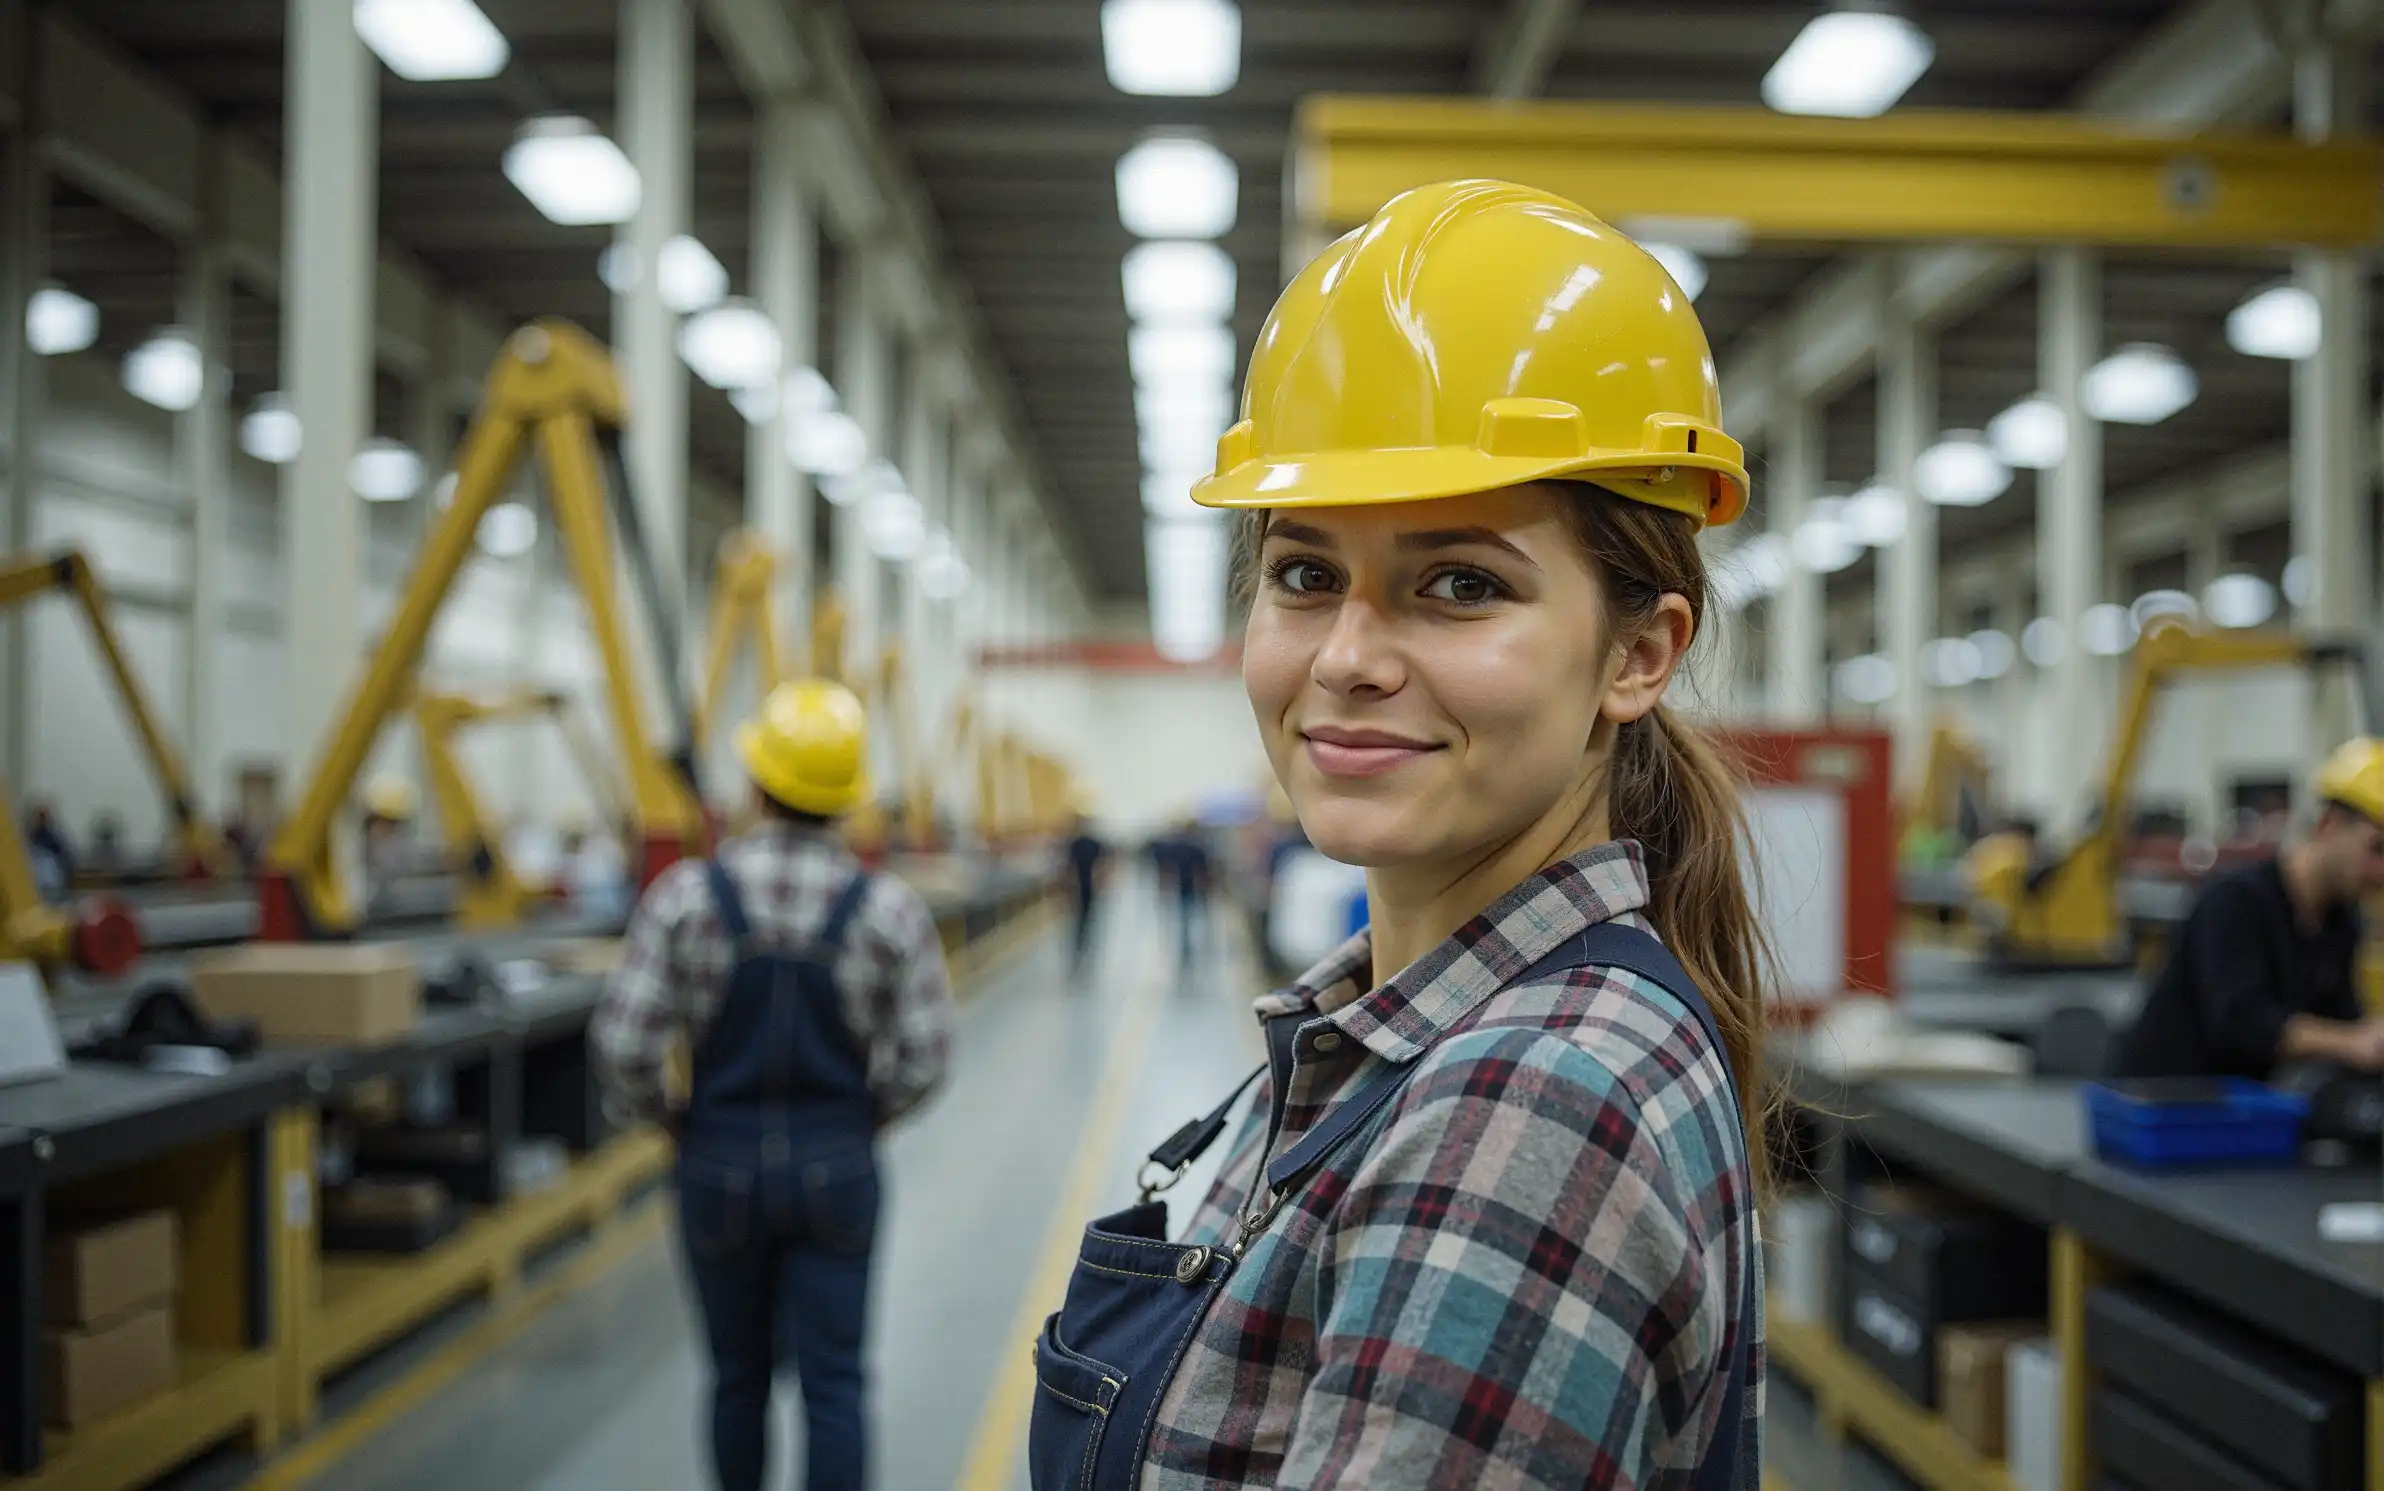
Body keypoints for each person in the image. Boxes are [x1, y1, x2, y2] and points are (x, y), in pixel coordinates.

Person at [1027, 180, 1765, 1491]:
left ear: (1637, 654)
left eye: (1460, 584)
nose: (1347, 658)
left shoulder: (1531, 1107)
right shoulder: (1394, 1037)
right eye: (1305, 574)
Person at [592, 679, 954, 1491]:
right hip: (838, 1162)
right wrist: (868, 1115)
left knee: (736, 1376)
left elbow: (623, 1043)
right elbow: (928, 1055)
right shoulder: (888, 909)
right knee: (835, 1380)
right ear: (848, 799)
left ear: (756, 785)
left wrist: (670, 1118)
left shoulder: (687, 898)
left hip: (716, 1161)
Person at [2111, 737, 2384, 1080]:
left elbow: (2342, 1020)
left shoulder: (2339, 923)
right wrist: (2350, 1042)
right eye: (2377, 848)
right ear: (2329, 824)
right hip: (2165, 1100)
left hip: (2249, 1103)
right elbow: (2241, 1022)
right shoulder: (2235, 901)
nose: (2381, 872)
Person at [1063, 813, 1109, 975]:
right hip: (1083, 887)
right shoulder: (1078, 844)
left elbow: (1101, 865)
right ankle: (1081, 949)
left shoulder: (1081, 844)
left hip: (1085, 887)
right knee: (1083, 921)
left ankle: (1082, 949)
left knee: (1083, 920)